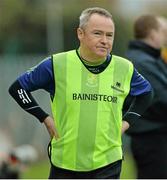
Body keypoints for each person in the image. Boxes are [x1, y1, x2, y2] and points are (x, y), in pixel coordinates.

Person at [9, 7, 153, 179]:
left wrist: (126, 122)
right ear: (80, 33)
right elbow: (18, 88)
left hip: (108, 163)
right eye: (98, 33)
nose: (104, 40)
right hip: (64, 163)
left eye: (109, 35)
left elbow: (147, 93)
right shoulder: (56, 64)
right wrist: (44, 118)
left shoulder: (124, 68)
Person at [125, 15, 167, 178]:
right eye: (162, 31)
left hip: (155, 136)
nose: (165, 36)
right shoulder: (142, 62)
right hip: (151, 139)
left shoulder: (150, 59)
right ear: (152, 34)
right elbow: (160, 100)